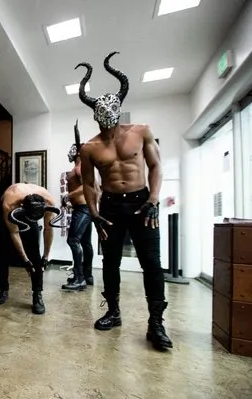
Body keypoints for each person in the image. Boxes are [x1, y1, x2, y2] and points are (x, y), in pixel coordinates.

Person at [75, 51, 172, 351]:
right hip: (111, 207)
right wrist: (93, 212)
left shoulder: (140, 131)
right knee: (111, 262)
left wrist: (154, 197)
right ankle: (113, 311)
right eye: (99, 117)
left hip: (143, 203)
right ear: (95, 115)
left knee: (151, 263)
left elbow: (155, 166)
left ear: (117, 110)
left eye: (109, 115)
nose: (105, 122)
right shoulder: (89, 147)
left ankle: (156, 323)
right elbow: (89, 183)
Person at [0, 183, 61, 315]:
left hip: (30, 212)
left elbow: (48, 229)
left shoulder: (49, 203)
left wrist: (45, 257)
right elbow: (14, 233)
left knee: (35, 257)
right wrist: (25, 260)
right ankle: (3, 290)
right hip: (13, 214)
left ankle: (37, 295)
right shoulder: (9, 203)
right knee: (2, 254)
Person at [62, 121, 94, 291]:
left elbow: (87, 187)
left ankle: (80, 278)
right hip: (83, 208)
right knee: (86, 243)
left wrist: (69, 195)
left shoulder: (80, 168)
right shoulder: (79, 167)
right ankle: (87, 276)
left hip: (83, 209)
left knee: (73, 240)